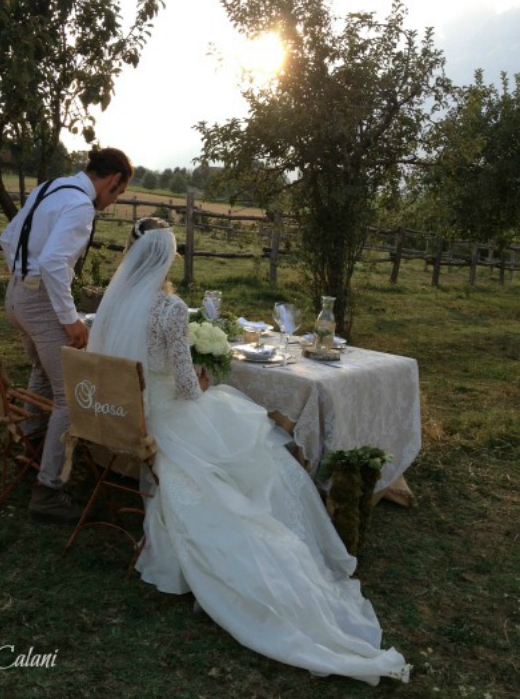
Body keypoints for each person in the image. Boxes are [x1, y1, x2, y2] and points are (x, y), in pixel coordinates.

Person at [86, 217, 411, 686]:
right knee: (261, 440)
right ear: (167, 258)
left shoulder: (113, 302)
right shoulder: (170, 309)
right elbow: (185, 386)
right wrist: (203, 381)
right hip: (164, 420)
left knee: (242, 430)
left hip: (121, 415)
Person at [0, 147, 133, 522]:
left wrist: (22, 277)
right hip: (40, 303)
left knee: (42, 371)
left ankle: (29, 447)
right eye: (119, 192)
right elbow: (55, 262)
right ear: (114, 180)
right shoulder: (80, 206)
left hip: (15, 296)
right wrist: (69, 318)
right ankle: (48, 489)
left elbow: (8, 237)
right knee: (70, 396)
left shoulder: (50, 187)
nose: (115, 201)